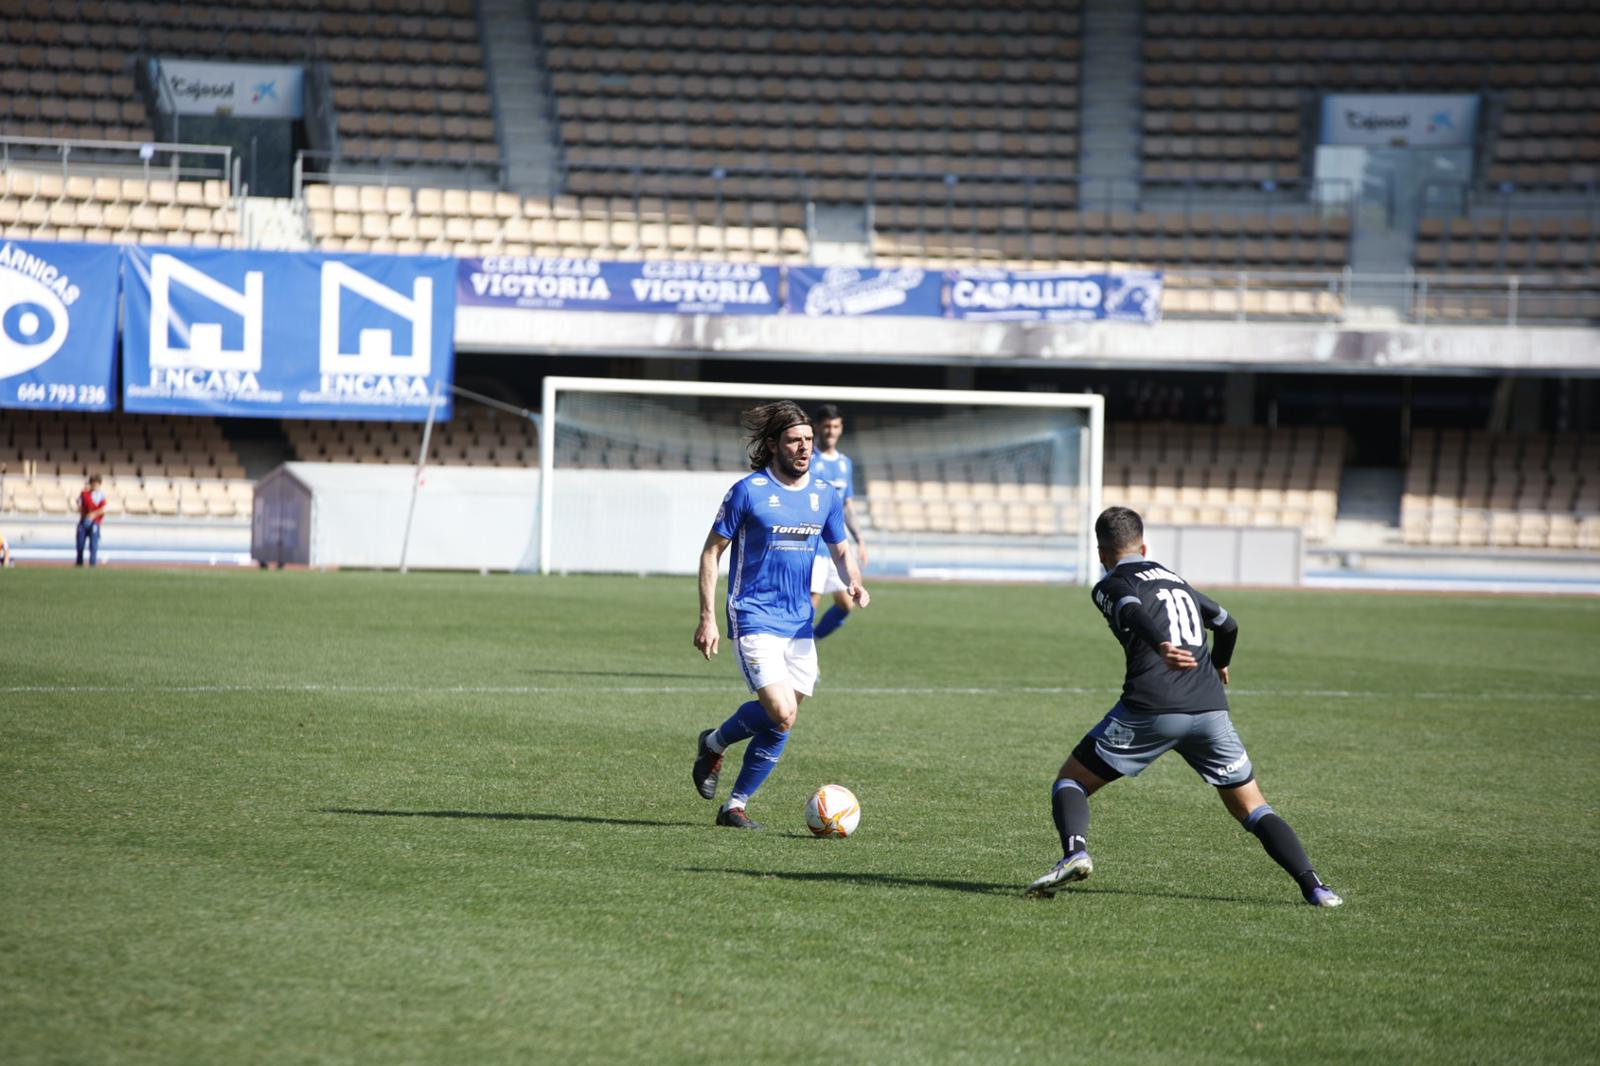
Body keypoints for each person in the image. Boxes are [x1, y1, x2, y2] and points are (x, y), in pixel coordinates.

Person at [1024, 505, 1342, 907]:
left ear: (1101, 552)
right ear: (1144, 545)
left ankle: (1075, 853)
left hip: (1151, 708)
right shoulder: (1176, 580)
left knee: (1071, 781)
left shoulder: (1110, 583)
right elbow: (1227, 623)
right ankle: (1316, 888)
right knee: (1254, 808)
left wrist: (1161, 645)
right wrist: (1221, 661)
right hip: (1210, 711)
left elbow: (1130, 610)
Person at [691, 401, 870, 829]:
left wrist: (855, 581)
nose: (804, 447)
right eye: (794, 440)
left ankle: (733, 803)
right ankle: (714, 745)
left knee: (783, 719)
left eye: (808, 440)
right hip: (753, 614)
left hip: (798, 624)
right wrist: (707, 617)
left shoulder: (825, 494)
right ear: (773, 445)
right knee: (779, 709)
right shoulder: (748, 491)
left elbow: (841, 549)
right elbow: (712, 551)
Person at [808, 403, 868, 640]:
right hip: (813, 546)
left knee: (846, 604)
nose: (830, 431)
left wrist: (860, 539)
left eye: (835, 426)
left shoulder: (845, 463)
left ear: (841, 428)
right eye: (826, 426)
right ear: (817, 428)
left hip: (836, 547)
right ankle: (797, 660)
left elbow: (847, 506)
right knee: (810, 604)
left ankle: (810, 642)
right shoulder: (808, 460)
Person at [75, 474, 107, 567]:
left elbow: (103, 509)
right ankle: (79, 563)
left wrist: (93, 515)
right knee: (80, 544)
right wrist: (83, 515)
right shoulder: (84, 494)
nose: (95, 486)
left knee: (93, 545)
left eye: (97, 484)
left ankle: (92, 564)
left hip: (95, 523)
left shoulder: (101, 495)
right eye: (94, 484)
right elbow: (79, 505)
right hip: (84, 521)